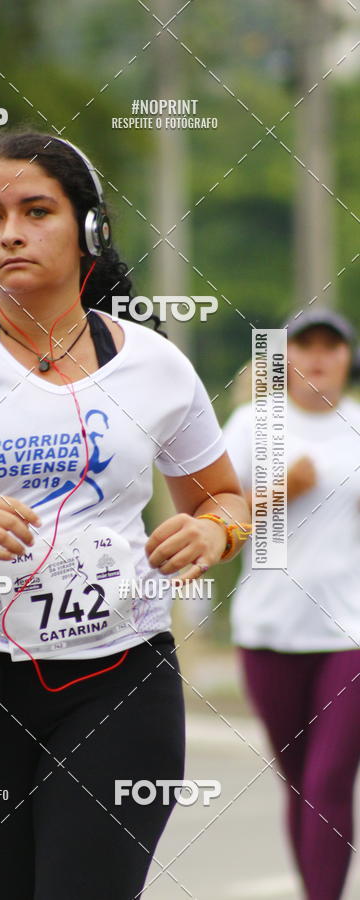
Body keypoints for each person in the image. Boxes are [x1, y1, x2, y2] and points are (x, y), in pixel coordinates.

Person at [0, 129, 250, 900]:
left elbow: (224, 498)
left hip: (120, 684)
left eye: (36, 210)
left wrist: (214, 531)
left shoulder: (155, 364)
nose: (9, 232)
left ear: (92, 231)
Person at [223, 308, 360, 900]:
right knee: (302, 785)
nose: (319, 357)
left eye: (333, 346)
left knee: (331, 779)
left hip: (349, 632)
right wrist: (283, 490)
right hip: (270, 628)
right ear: (286, 360)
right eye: (306, 346)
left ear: (348, 359)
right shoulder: (254, 425)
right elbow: (217, 522)